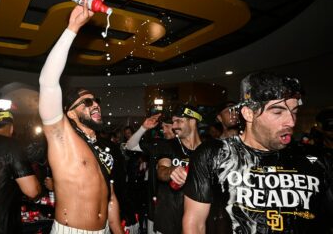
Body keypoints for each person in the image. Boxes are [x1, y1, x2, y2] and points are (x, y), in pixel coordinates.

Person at [183, 72, 333, 234]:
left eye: (294, 111)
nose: (291, 121)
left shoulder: (316, 159)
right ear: (248, 113)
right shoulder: (215, 154)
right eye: (277, 112)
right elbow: (195, 224)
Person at [39, 0, 123, 233]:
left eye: (96, 100)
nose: (95, 104)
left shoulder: (103, 148)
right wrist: (72, 29)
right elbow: (47, 81)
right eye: (86, 101)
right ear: (70, 112)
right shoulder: (62, 136)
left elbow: (111, 197)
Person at [155, 105, 202, 234]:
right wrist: (171, 171)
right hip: (169, 219)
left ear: (192, 121)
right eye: (173, 121)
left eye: (178, 121)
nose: (174, 126)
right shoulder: (168, 145)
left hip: (197, 220)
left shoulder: (208, 150)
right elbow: (161, 171)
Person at [125, 113, 174, 234]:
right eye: (163, 127)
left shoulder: (186, 146)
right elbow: (130, 146)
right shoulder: (158, 144)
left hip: (178, 209)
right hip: (155, 206)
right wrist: (143, 128)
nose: (164, 130)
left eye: (167, 126)